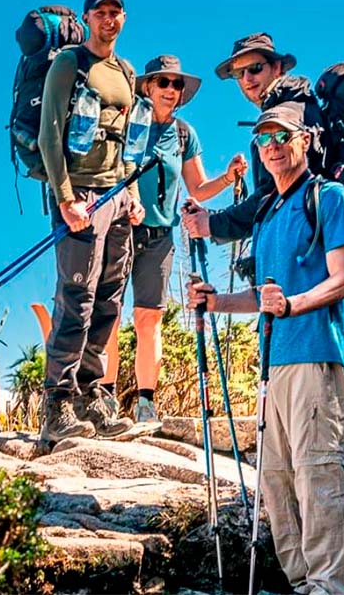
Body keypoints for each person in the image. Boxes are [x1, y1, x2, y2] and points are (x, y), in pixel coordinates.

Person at [186, 102, 344, 594]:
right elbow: (265, 298)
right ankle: (303, 583)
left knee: (317, 474)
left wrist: (293, 305)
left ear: (304, 140)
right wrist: (215, 301)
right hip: (272, 364)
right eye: (263, 140)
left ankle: (329, 586)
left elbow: (343, 279)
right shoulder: (266, 212)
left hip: (315, 355)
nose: (273, 147)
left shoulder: (328, 197)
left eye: (282, 137)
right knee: (276, 481)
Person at [100, 54, 248, 423]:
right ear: (147, 87)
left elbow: (198, 186)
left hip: (161, 235)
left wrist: (229, 177)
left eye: (176, 84)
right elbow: (110, 173)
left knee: (149, 316)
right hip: (120, 229)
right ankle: (104, 398)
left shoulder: (184, 134)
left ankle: (146, 402)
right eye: (163, 82)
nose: (170, 89)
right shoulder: (126, 124)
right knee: (111, 316)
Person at [35, 0, 142, 441]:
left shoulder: (128, 72)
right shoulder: (69, 64)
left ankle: (91, 396)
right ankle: (56, 407)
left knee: (109, 299)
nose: (109, 20)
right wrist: (65, 199)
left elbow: (131, 140)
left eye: (116, 13)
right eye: (101, 13)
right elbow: (48, 136)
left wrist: (132, 193)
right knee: (75, 298)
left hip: (116, 196)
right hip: (79, 196)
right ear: (87, 18)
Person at [183, 32, 324, 243]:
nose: (247, 79)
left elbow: (272, 198)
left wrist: (211, 224)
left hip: (304, 252)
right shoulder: (299, 106)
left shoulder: (288, 116)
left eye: (255, 68)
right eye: (239, 73)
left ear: (277, 68)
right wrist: (213, 217)